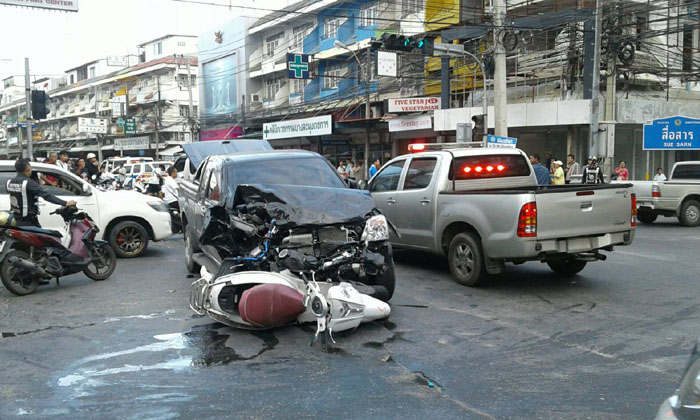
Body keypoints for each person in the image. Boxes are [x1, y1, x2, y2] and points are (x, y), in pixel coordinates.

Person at [6, 158, 76, 227]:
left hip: (16, 219)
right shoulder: (29, 183)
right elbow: (46, 195)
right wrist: (65, 203)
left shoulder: (9, 182)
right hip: (28, 221)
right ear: (28, 169)